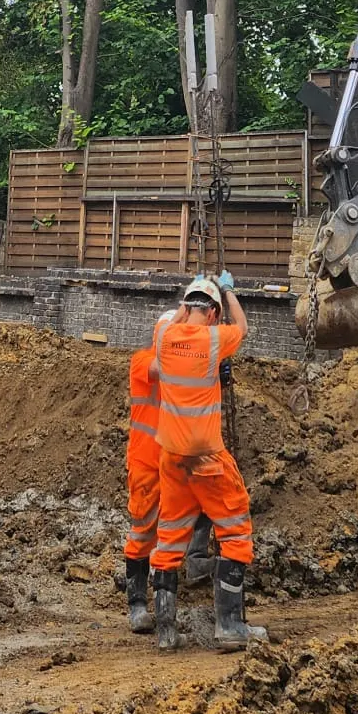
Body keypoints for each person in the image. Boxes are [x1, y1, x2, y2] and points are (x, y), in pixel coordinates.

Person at [149, 270, 267, 652]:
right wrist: (228, 290)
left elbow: (172, 320)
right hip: (207, 459)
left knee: (169, 538)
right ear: (214, 313)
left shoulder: (164, 335)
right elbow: (243, 327)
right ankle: (230, 627)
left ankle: (166, 632)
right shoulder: (216, 339)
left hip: (172, 457)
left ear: (186, 307)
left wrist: (189, 301)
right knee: (235, 531)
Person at [122, 342, 161, 633]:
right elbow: (162, 369)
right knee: (142, 533)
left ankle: (166, 601)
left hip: (178, 462)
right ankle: (137, 603)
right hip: (146, 463)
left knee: (173, 535)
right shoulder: (142, 361)